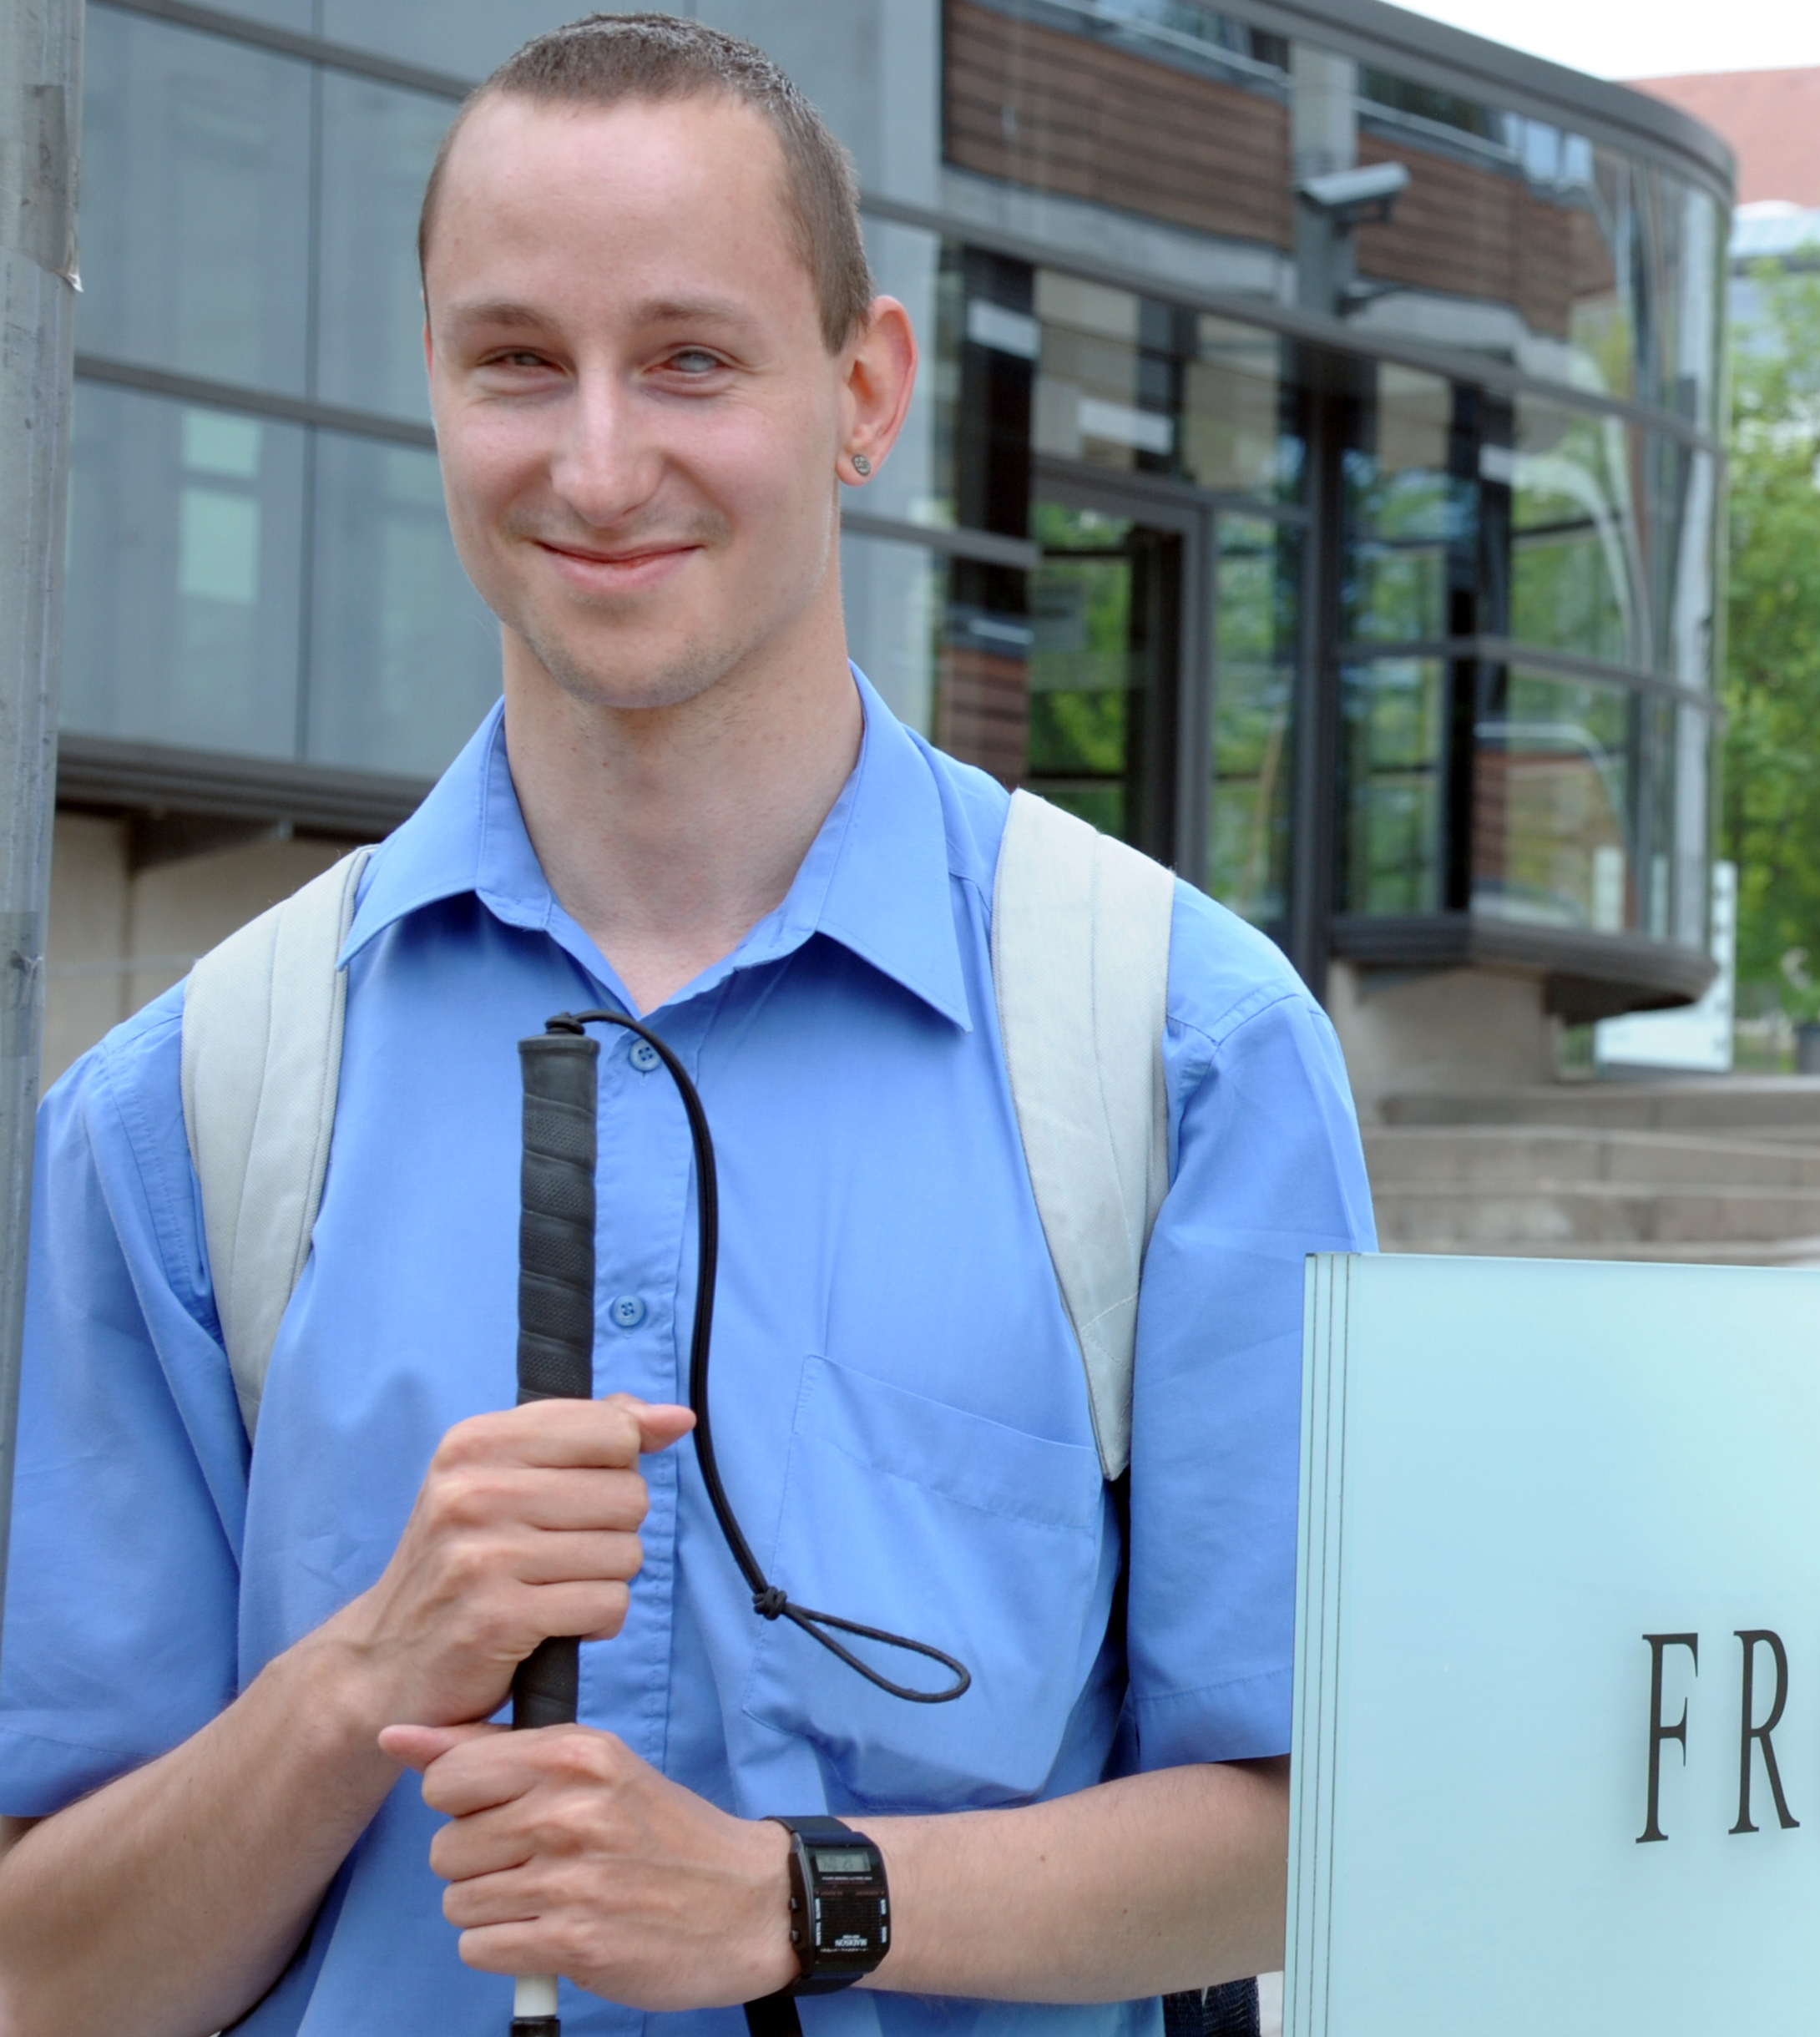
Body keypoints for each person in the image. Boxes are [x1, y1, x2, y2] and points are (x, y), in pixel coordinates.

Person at [0, 16, 1370, 2033]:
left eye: (692, 358)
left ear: (864, 390)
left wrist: (796, 1897)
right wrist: (366, 1671)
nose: (600, 460)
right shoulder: (182, 1106)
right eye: (516, 363)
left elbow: (1315, 1829)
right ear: (438, 395)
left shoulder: (1185, 1050)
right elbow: (49, 1973)